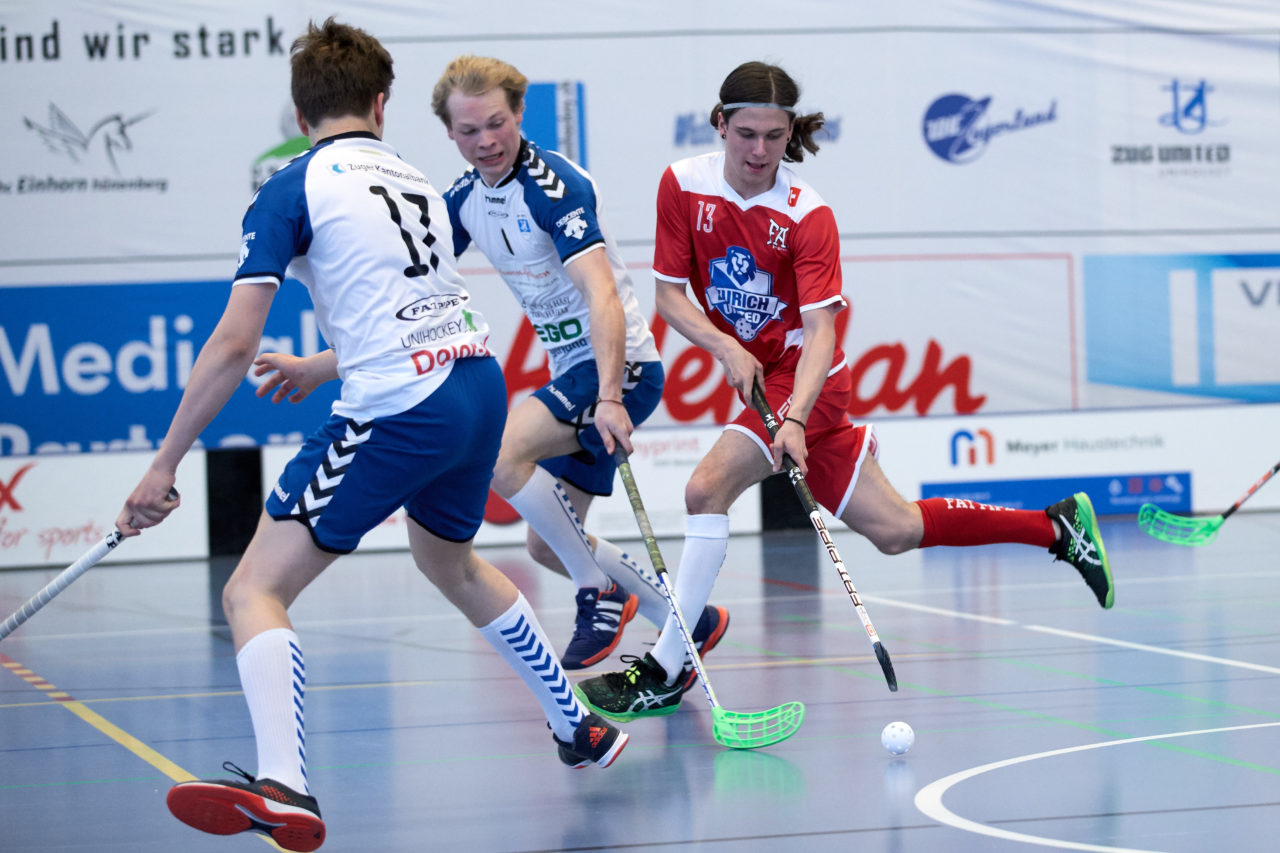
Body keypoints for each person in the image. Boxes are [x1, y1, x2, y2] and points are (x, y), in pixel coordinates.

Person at [115, 20, 627, 853]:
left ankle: (285, 783)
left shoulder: (291, 187)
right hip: (477, 386)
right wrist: (324, 366)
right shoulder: (416, 177)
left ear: (300, 112)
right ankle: (578, 724)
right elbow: (399, 304)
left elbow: (234, 343)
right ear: (381, 105)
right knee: (450, 563)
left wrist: (162, 465)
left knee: (252, 590)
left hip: (401, 405)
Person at [575, 60, 1115, 721]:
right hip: (759, 378)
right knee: (897, 529)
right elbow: (669, 296)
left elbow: (821, 331)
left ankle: (668, 666)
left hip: (809, 382)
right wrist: (725, 346)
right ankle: (1057, 527)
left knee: (703, 489)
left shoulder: (808, 214)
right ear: (720, 123)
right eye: (746, 134)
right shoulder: (683, 185)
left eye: (774, 136)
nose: (759, 151)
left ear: (789, 133)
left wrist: (796, 417)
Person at [255, 54, 730, 675]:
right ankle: (689, 620)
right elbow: (412, 311)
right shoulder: (459, 200)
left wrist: (612, 396)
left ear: (520, 113)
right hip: (571, 378)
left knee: (504, 456)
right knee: (546, 546)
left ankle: (600, 589)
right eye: (469, 130)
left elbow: (603, 296)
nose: (485, 141)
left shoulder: (557, 187)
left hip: (619, 370)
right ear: (450, 134)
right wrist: (321, 367)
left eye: (497, 123)